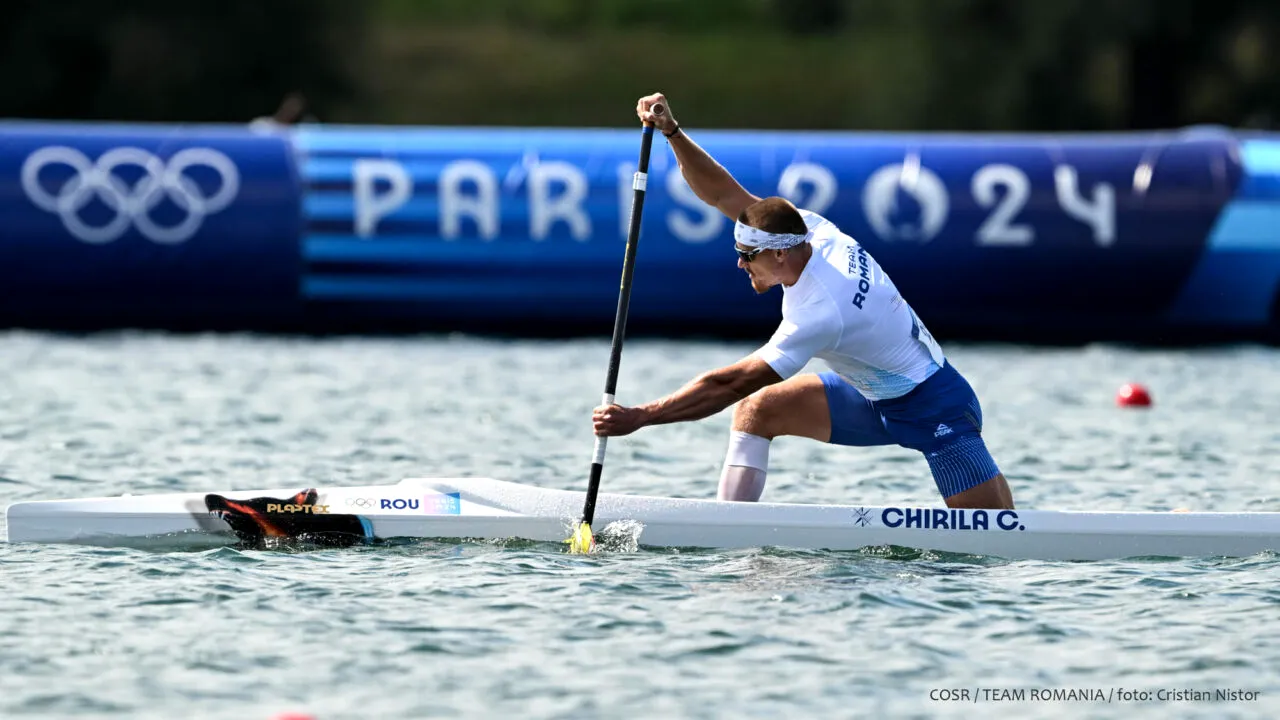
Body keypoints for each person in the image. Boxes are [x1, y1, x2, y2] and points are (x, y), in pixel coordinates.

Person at [591, 92, 1014, 510]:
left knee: (993, 533)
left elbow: (730, 383)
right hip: (868, 396)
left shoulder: (820, 311)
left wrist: (641, 417)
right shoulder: (807, 227)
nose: (740, 265)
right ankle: (731, 529)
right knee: (759, 411)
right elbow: (723, 195)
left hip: (933, 404)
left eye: (746, 256)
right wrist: (672, 132)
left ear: (778, 254)